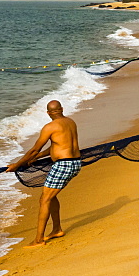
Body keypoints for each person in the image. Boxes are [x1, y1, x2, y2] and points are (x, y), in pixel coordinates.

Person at [6, 100, 82, 248]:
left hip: (63, 165)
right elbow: (58, 145)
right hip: (76, 162)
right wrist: (36, 157)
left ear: (48, 113)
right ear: (62, 109)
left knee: (44, 200)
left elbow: (34, 149)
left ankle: (39, 240)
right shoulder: (70, 122)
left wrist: (17, 164)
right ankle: (57, 230)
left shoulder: (49, 127)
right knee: (51, 196)